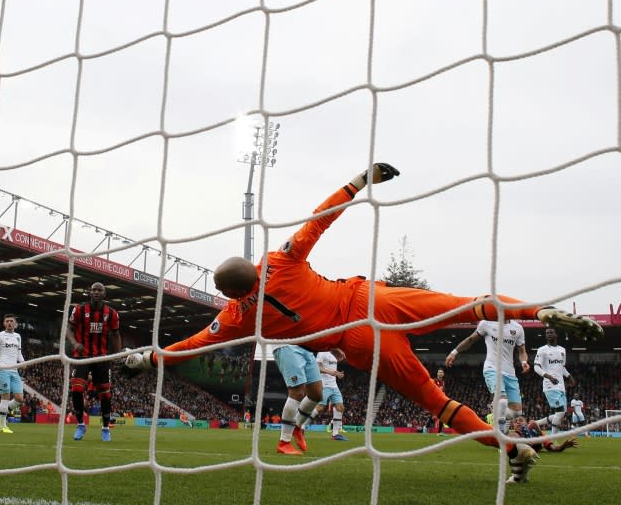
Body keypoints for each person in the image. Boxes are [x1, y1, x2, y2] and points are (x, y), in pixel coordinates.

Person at [124, 163, 603, 484]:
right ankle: (537, 311)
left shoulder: (233, 317)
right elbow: (322, 217)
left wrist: (149, 357)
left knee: (437, 402)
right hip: (370, 299)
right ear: (255, 266)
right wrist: (360, 180)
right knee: (464, 305)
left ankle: (509, 449)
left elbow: (191, 346)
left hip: (357, 341)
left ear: (228, 293)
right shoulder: (281, 260)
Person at [445, 319, 530, 434]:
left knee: (516, 413)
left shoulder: (518, 328)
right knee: (502, 402)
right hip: (492, 369)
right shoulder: (486, 324)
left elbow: (522, 351)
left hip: (510, 373)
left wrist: (524, 362)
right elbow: (470, 340)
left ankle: (496, 415)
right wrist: (454, 352)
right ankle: (500, 435)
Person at [66, 282, 122, 441]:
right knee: (76, 390)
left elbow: (116, 336)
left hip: (102, 357)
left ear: (104, 294)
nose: (96, 292)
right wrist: (75, 343)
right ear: (89, 292)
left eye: (100, 290)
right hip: (82, 355)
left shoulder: (112, 314)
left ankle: (105, 429)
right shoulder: (79, 309)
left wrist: (116, 356)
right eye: (94, 290)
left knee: (105, 395)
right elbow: (69, 329)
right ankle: (80, 425)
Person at [271, 344, 323, 455]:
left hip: (307, 346)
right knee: (297, 391)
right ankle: (284, 443)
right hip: (286, 344)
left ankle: (297, 427)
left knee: (316, 393)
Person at [506, 415, 579, 484]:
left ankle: (519, 475)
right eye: (515, 422)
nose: (518, 422)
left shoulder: (538, 432)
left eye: (521, 420)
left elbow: (552, 448)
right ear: (513, 425)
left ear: (526, 422)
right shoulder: (513, 435)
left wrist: (563, 446)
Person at [0, 314, 25, 434]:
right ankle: (2, 426)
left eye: (11, 321)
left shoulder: (18, 337)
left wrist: (23, 362)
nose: (9, 323)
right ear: (4, 323)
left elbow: (18, 354)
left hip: (14, 371)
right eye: (7, 321)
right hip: (2, 370)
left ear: (15, 323)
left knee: (19, 398)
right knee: (6, 397)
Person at [533, 328, 576, 435]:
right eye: (547, 333)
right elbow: (536, 367)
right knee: (560, 412)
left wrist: (569, 376)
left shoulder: (562, 350)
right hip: (550, 385)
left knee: (561, 413)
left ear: (556, 334)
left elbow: (562, 367)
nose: (549, 334)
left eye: (551, 332)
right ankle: (552, 439)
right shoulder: (542, 350)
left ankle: (536, 423)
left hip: (561, 386)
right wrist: (549, 377)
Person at [311, 349, 348, 441]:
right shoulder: (322, 352)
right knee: (319, 408)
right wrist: (331, 372)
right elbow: (317, 367)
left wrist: (341, 353)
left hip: (334, 386)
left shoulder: (333, 354)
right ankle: (301, 426)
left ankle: (335, 435)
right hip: (324, 385)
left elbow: (332, 365)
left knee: (340, 407)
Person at [431, 368, 446, 435]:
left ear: (443, 374)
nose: (440, 373)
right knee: (439, 415)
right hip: (435, 399)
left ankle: (439, 432)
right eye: (439, 372)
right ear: (437, 373)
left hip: (441, 399)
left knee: (441, 415)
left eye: (441, 372)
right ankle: (426, 426)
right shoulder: (434, 380)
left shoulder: (443, 382)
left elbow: (443, 391)